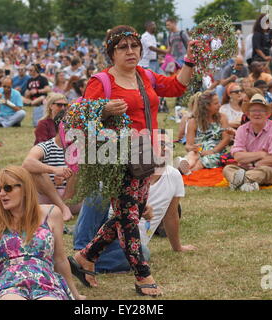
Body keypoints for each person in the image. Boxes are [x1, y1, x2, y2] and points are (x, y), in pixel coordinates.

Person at [69, 25, 194, 297]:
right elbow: (79, 117)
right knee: (128, 217)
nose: (130, 51)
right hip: (115, 156)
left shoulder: (144, 75)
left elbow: (176, 86)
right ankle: (142, 276)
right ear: (111, 53)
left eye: (134, 46)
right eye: (122, 47)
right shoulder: (101, 81)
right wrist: (102, 109)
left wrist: (191, 60)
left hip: (144, 154)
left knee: (131, 211)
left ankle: (85, 257)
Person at [73, 130, 196, 273]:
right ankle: (80, 248)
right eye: (161, 144)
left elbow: (172, 214)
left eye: (170, 145)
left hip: (129, 242)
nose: (166, 148)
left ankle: (80, 262)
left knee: (144, 253)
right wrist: (134, 207)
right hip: (103, 228)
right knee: (99, 189)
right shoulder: (130, 168)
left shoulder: (174, 176)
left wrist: (177, 247)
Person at [0, 166, 84, 300]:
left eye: (8, 188)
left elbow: (60, 260)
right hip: (9, 284)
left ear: (25, 189)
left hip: (46, 282)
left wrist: (75, 295)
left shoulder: (51, 213)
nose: (1, 193)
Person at [223, 94, 272, 192]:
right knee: (227, 169)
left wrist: (253, 163)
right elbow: (238, 156)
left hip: (269, 169)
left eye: (261, 110)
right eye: (253, 110)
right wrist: (261, 154)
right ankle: (246, 185)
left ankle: (237, 181)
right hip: (245, 169)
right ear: (248, 114)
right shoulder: (242, 129)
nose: (257, 113)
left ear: (267, 114)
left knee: (264, 171)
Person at [174, 90, 232, 175]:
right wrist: (192, 148)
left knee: (203, 161)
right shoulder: (193, 121)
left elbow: (226, 139)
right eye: (216, 103)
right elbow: (188, 145)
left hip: (217, 151)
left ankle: (187, 171)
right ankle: (184, 167)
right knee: (192, 155)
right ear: (207, 106)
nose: (219, 105)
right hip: (199, 150)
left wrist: (212, 151)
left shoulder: (222, 118)